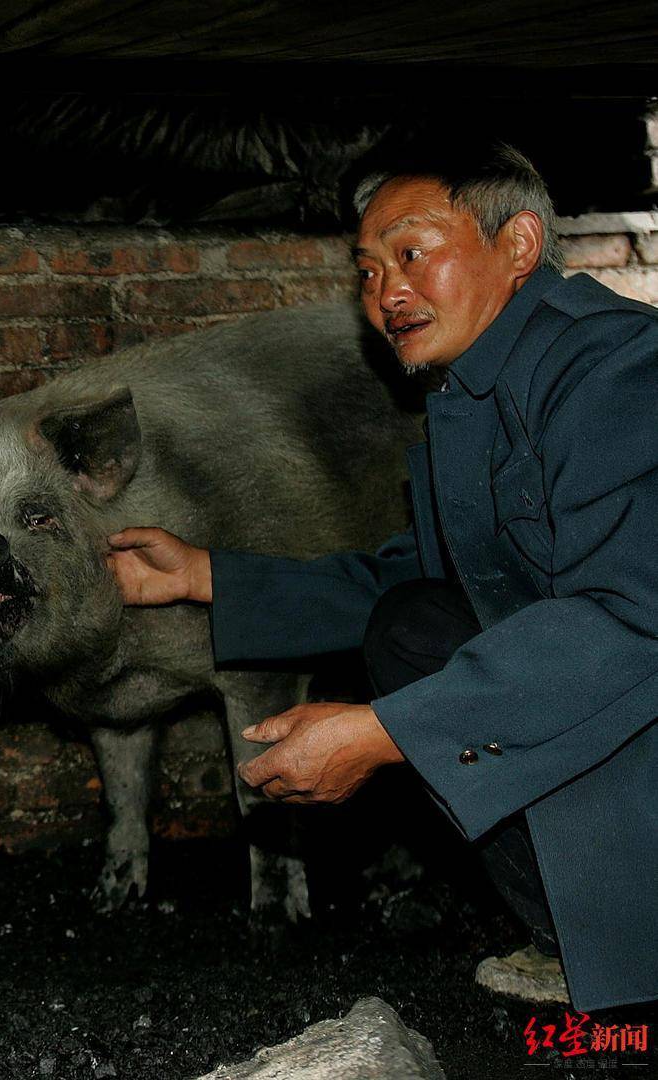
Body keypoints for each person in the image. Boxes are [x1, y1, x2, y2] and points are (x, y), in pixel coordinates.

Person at [107, 141, 658, 1012]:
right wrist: (212, 577)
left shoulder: (619, 369)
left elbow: (634, 624)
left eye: (411, 254)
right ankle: (585, 932)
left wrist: (383, 732)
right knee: (414, 621)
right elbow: (443, 575)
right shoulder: (474, 392)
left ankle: (635, 943)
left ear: (518, 245)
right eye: (367, 271)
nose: (384, 293)